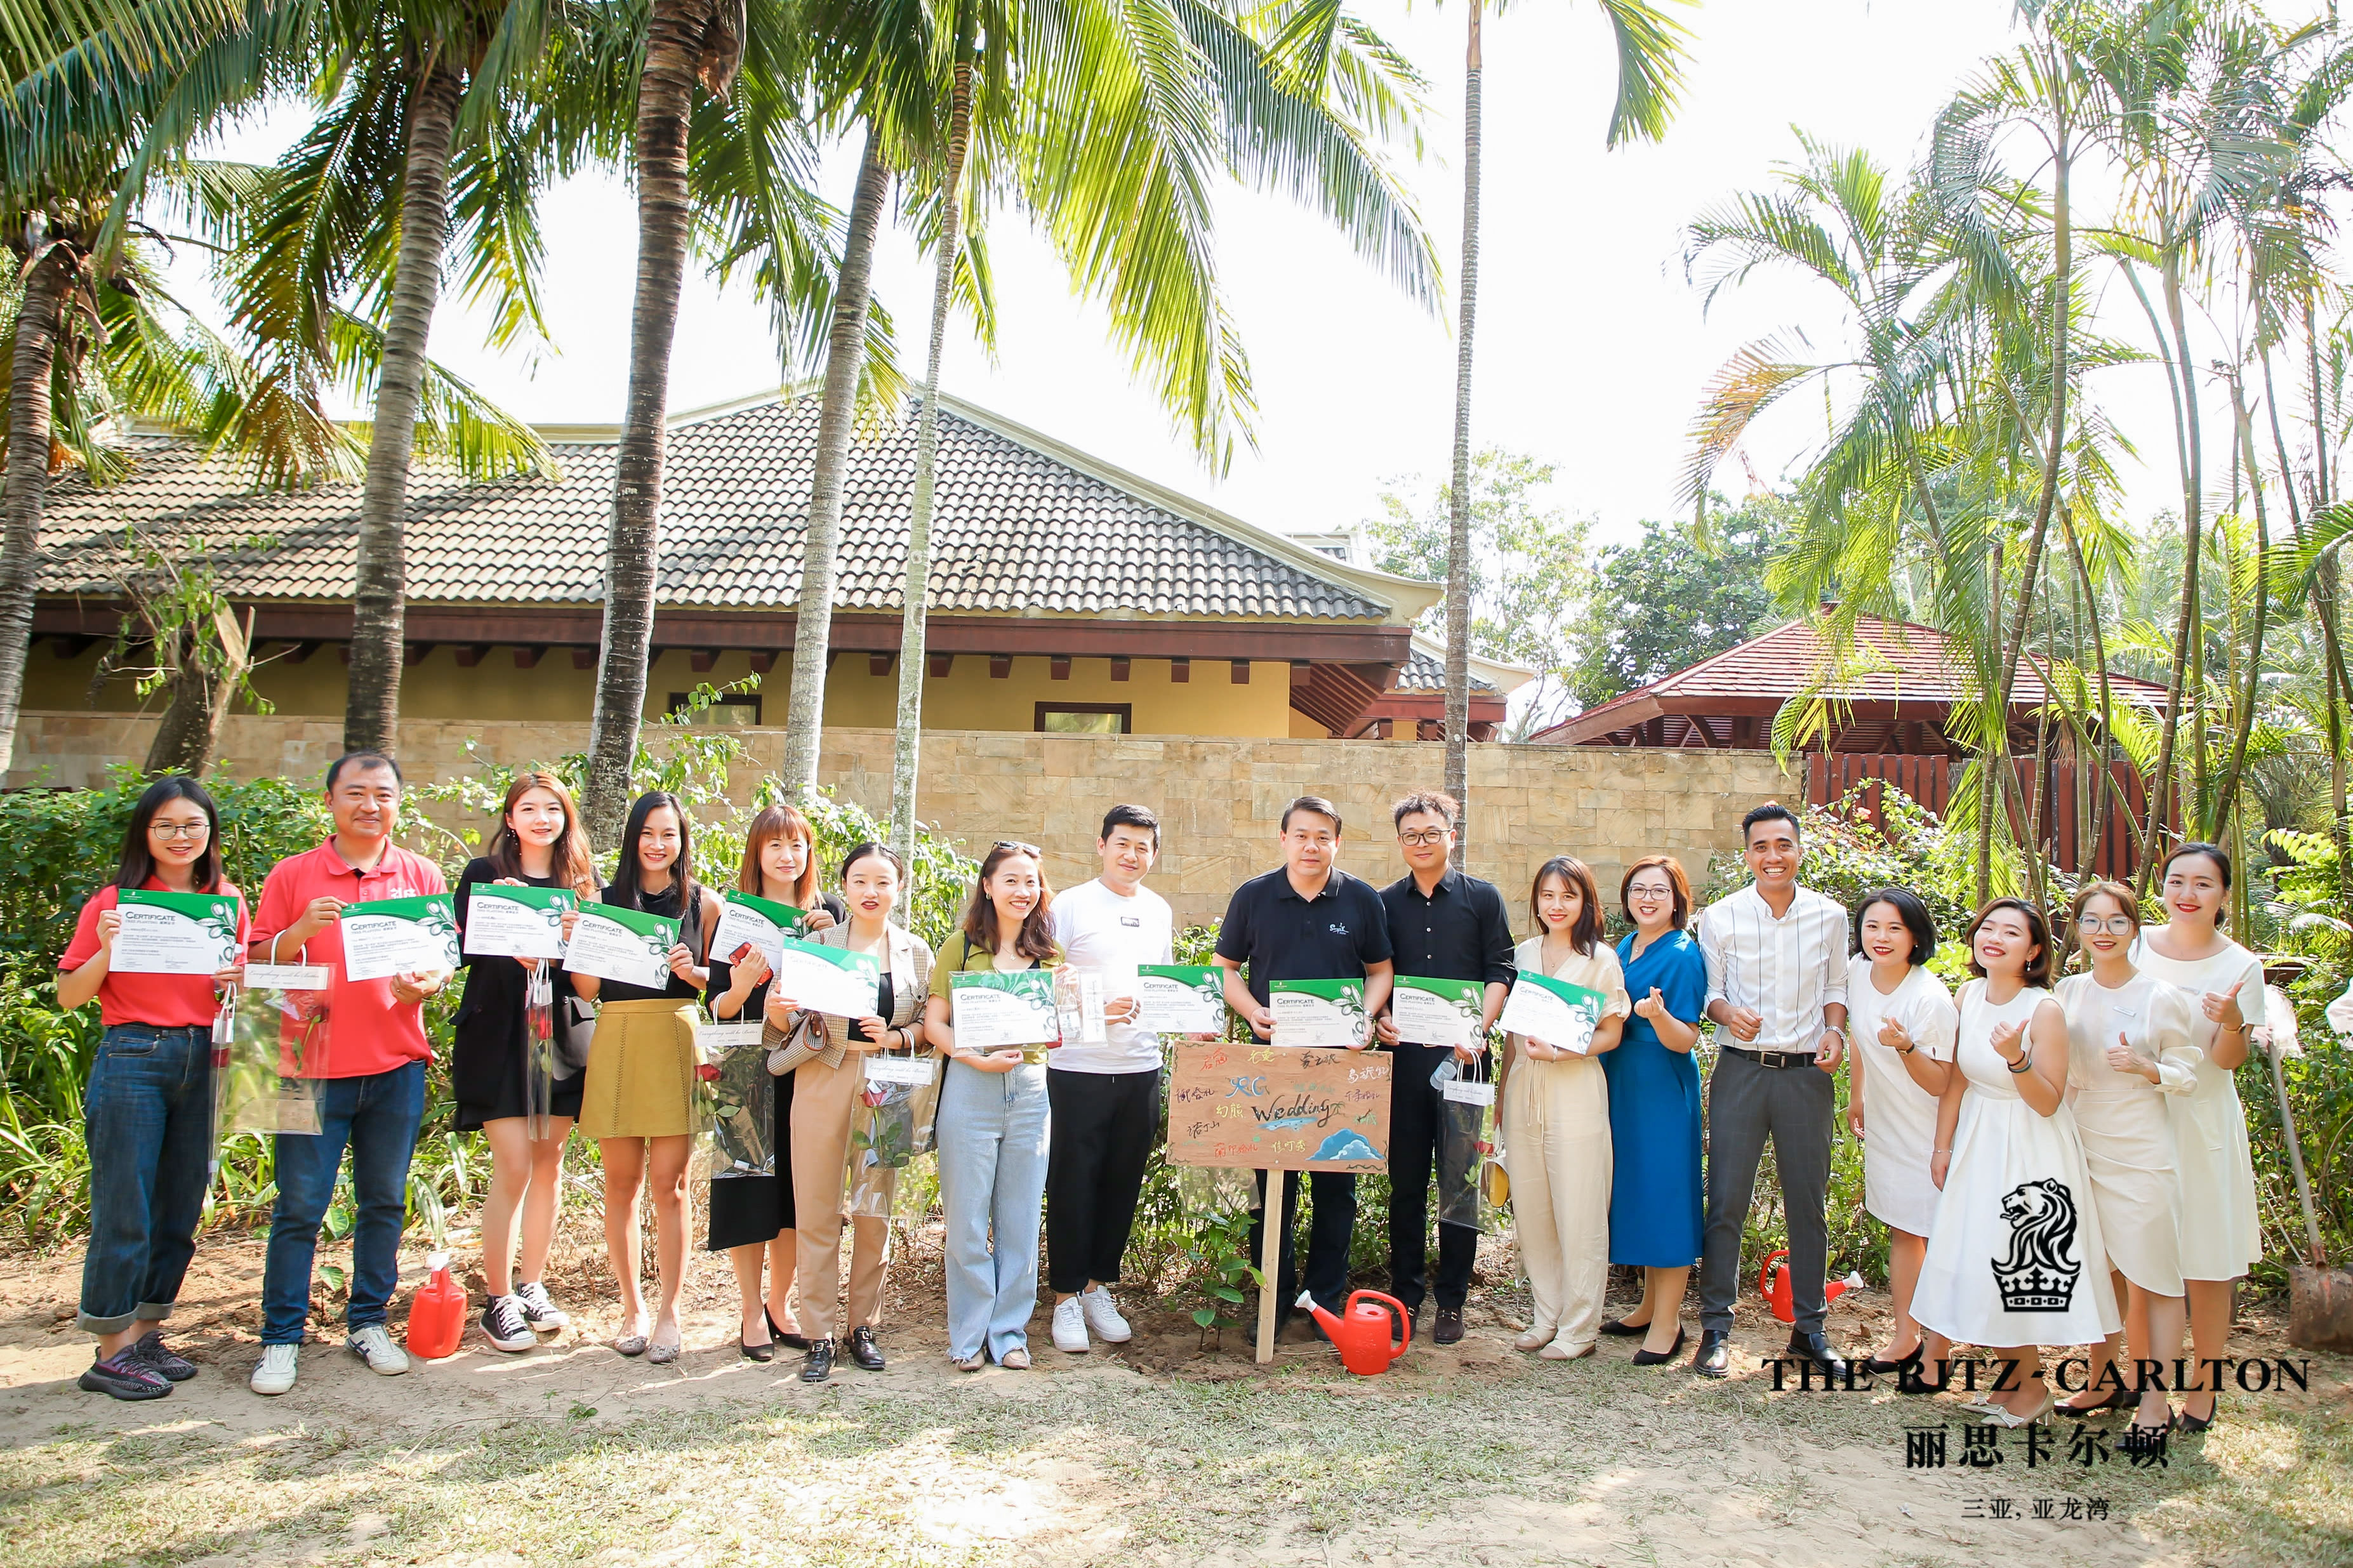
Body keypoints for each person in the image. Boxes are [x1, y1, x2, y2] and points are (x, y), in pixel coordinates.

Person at [248, 752, 452, 1396]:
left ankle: (368, 1321)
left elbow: (440, 965)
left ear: (398, 803)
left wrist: (424, 984)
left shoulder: (419, 872)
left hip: (395, 1064)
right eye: (356, 793)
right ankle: (280, 1336)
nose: (370, 805)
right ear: (331, 801)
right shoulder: (293, 873)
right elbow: (255, 964)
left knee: (384, 1201)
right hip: (302, 1067)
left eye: (383, 794)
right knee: (299, 1207)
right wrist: (300, 930)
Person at [60, 777, 248, 1399]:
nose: (181, 837)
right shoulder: (114, 903)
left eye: (194, 825)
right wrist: (110, 948)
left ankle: (143, 1332)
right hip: (134, 1056)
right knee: (126, 1204)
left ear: (210, 833)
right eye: (166, 825)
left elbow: (233, 993)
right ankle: (109, 1349)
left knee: (177, 1206)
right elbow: (70, 994)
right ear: (145, 832)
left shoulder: (227, 902)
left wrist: (235, 982)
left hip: (205, 1054)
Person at [1912, 898, 2120, 1426]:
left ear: (2032, 951)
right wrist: (1942, 1147)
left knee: (2012, 1262)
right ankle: (2010, 1386)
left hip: (2028, 1145)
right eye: (1987, 928)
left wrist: (2016, 1058)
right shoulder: (1969, 993)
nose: (1994, 938)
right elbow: (1957, 1079)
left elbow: (2048, 1099)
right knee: (1976, 1258)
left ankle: (2031, 1392)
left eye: (2011, 932)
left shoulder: (2044, 1009)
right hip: (1978, 1138)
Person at [1214, 795, 1395, 1341]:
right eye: (1301, 835)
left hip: (1340, 1068)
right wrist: (1252, 1010)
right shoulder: (1253, 896)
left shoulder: (1361, 898)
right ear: (1283, 838)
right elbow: (1225, 968)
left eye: (1323, 836)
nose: (1311, 845)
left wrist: (1365, 1016)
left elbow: (1381, 969)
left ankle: (1323, 1302)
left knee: (1336, 1188)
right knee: (1272, 1189)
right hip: (1273, 1067)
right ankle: (1271, 1299)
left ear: (1337, 841)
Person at [1692, 801, 1850, 1380]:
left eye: (1782, 845)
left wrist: (1834, 1030)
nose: (1772, 856)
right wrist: (1728, 1013)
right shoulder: (1720, 916)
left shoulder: (1830, 916)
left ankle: (1809, 1327)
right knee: (1726, 1199)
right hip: (1740, 1070)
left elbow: (1837, 987)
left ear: (1799, 849)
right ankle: (1715, 1328)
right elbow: (1710, 994)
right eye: (1760, 846)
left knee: (1806, 1205)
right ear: (1747, 853)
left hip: (1808, 1074)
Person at [571, 791, 722, 1365]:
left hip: (677, 1037)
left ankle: (670, 1311)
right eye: (648, 834)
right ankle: (631, 1307)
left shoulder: (704, 904)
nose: (659, 845)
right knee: (621, 1182)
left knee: (672, 1184)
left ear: (683, 841)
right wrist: (579, 935)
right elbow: (586, 990)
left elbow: (726, 985)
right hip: (617, 1036)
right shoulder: (602, 901)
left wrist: (698, 972)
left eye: (670, 834)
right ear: (632, 839)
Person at [451, 771, 599, 1354]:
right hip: (497, 1033)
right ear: (510, 818)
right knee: (512, 1164)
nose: (542, 818)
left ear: (566, 819)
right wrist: (505, 939)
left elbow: (591, 977)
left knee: (549, 1162)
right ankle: (497, 1300)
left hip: (561, 1030)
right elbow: (456, 948)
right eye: (528, 808)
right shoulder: (483, 876)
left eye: (553, 809)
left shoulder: (581, 884)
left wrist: (579, 935)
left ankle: (531, 1283)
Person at [774, 842, 929, 1382]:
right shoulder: (817, 945)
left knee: (874, 1210)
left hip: (887, 1085)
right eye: (860, 880)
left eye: (882, 882)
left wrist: (898, 1034)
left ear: (898, 888)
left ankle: (863, 1324)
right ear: (844, 885)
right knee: (816, 1208)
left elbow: (929, 1028)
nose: (871, 891)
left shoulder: (916, 951)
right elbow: (779, 1028)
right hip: (823, 1076)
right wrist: (780, 1009)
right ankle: (818, 1331)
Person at [2131, 842, 2266, 1432]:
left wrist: (2232, 1021)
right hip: (2137, 1121)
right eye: (2176, 881)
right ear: (2160, 887)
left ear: (2223, 896)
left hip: (2203, 1122)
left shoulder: (2241, 966)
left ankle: (2204, 1389)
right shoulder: (2134, 947)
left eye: (2203, 884)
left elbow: (2227, 1059)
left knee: (2207, 1265)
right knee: (2142, 1261)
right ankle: (2145, 1388)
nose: (2187, 895)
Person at [2055, 880, 2194, 1440]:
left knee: (2155, 1277)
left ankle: (2156, 1398)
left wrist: (2145, 1066)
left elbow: (2187, 1073)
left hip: (2141, 1144)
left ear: (2133, 928)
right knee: (2098, 1271)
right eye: (2091, 921)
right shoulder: (2065, 992)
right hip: (2081, 1136)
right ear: (2079, 930)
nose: (2103, 932)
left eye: (2116, 921)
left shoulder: (2159, 995)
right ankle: (2101, 1378)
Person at [1372, 791, 1513, 1347]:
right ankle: (1404, 1294)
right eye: (1411, 834)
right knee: (1404, 1184)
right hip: (1404, 1063)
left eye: (1431, 832)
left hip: (1465, 1062)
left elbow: (1500, 967)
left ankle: (1452, 1299)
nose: (1421, 843)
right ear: (1400, 841)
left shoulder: (1482, 899)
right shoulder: (1382, 903)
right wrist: (1380, 1015)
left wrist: (1479, 1026)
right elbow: (1374, 971)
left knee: (1458, 1186)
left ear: (1451, 834)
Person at [703, 804, 842, 1363]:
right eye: (775, 846)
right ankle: (747, 1311)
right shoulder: (734, 915)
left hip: (806, 1064)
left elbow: (848, 993)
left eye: (798, 846)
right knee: (748, 1184)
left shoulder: (828, 912)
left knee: (794, 1191)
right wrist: (740, 987)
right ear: (756, 854)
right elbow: (716, 1004)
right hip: (746, 1063)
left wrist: (835, 943)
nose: (788, 857)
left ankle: (780, 1303)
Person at [1045, 805, 1180, 1354]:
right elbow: (1047, 981)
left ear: (1153, 853)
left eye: (1143, 846)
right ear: (1101, 845)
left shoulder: (1158, 909)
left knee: (1121, 1183)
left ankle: (1099, 1287)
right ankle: (1064, 1298)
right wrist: (1101, 1006)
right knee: (1072, 1184)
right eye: (1122, 843)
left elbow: (1168, 985)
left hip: (1140, 1068)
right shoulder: (1070, 904)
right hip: (1076, 1068)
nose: (1132, 855)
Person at [925, 841, 1061, 1370]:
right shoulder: (960, 946)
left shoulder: (1050, 952)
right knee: (964, 1218)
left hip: (1030, 1091)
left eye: (1031, 881)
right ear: (987, 885)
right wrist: (972, 1056)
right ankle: (969, 1332)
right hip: (970, 1086)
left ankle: (1009, 1333)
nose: (1022, 891)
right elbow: (935, 1023)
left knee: (1022, 1218)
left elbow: (1058, 1031)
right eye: (1011, 880)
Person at [1502, 856, 1631, 1360]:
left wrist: (1559, 1051)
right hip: (1522, 1089)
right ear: (1536, 900)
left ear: (1585, 902)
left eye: (1568, 896)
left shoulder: (1600, 959)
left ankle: (1579, 1326)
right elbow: (1514, 1034)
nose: (1556, 905)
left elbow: (1612, 1031)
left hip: (1575, 1087)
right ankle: (1546, 1315)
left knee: (1578, 1209)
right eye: (1548, 895)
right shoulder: (1524, 953)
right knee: (1533, 1209)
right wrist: (1499, 1101)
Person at [1841, 887, 1958, 1377]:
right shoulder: (1856, 974)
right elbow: (1858, 1039)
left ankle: (1940, 1345)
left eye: (1894, 928)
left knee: (1939, 1235)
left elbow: (1942, 1081)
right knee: (1903, 1229)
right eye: (1872, 926)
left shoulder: (1929, 997)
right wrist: (1856, 1095)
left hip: (1932, 1130)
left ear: (1915, 936)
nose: (1881, 937)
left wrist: (1907, 1046)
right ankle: (1905, 1335)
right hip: (1887, 1125)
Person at [1599, 855, 1706, 1367]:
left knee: (1666, 1195)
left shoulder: (1683, 954)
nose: (1646, 898)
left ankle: (1669, 1322)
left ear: (1677, 899)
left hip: (1661, 1084)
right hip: (1623, 1080)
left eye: (1658, 891)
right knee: (1636, 1189)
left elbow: (1685, 1038)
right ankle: (1646, 1304)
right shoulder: (1625, 946)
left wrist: (1659, 1014)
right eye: (1638, 889)